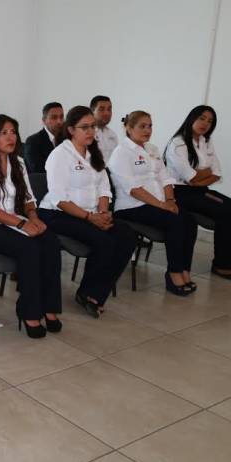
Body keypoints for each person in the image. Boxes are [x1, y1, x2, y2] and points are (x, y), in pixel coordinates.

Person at [0, 114, 62, 338]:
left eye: (13, 132)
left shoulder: (17, 162)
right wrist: (22, 224)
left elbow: (28, 198)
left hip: (13, 222)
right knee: (29, 248)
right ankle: (29, 312)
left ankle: (49, 308)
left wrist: (33, 217)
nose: (11, 137)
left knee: (50, 241)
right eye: (4, 133)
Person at [38, 106, 137, 317]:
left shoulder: (94, 153)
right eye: (85, 127)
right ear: (71, 130)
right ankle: (88, 293)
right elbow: (59, 199)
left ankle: (97, 293)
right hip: (58, 214)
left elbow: (104, 188)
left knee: (127, 235)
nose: (91, 131)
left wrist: (103, 212)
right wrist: (90, 218)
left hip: (91, 213)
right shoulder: (60, 155)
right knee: (104, 241)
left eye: (93, 126)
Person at [108, 111, 198, 295]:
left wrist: (170, 200)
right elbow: (133, 189)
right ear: (129, 128)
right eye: (142, 126)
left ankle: (184, 270)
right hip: (131, 206)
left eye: (150, 126)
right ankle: (173, 274)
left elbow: (166, 178)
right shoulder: (121, 153)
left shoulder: (153, 149)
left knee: (190, 221)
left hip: (158, 204)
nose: (147, 130)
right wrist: (162, 205)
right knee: (175, 221)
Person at [165, 105, 231, 280]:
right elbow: (190, 176)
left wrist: (199, 178)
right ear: (192, 118)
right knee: (227, 212)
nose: (205, 124)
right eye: (202, 118)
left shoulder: (206, 141)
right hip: (180, 193)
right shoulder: (178, 143)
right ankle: (221, 265)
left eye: (210, 121)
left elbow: (217, 173)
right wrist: (202, 175)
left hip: (200, 189)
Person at [23, 102, 64, 173]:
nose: (59, 121)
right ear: (44, 120)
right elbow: (37, 171)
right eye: (54, 117)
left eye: (61, 117)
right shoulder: (33, 141)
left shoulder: (66, 139)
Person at [90, 95, 119, 163]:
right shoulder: (87, 133)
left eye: (109, 109)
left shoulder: (112, 134)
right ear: (92, 111)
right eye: (101, 109)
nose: (106, 113)